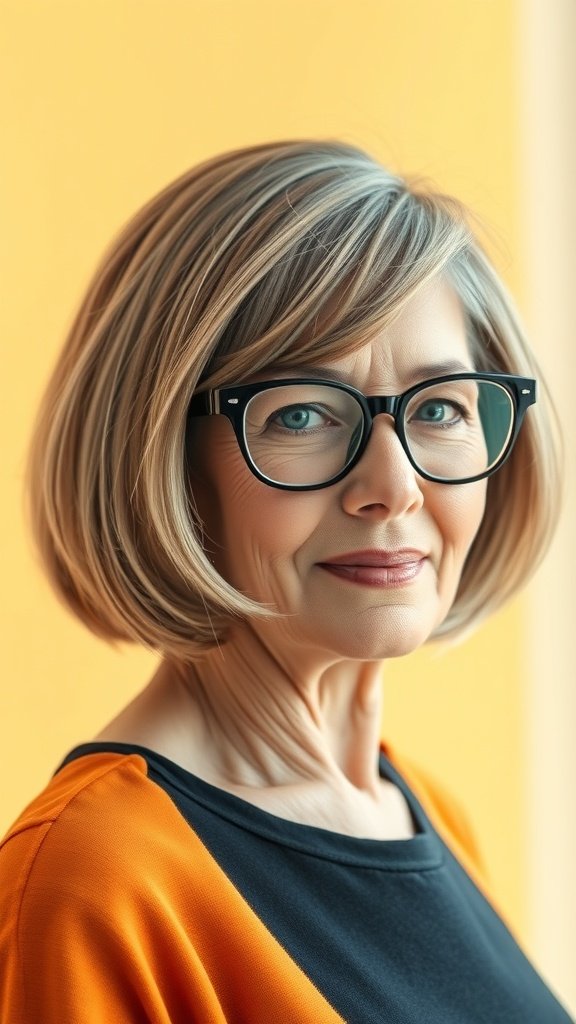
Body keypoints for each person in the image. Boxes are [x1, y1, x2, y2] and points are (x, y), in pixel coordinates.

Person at [0, 140, 572, 1024]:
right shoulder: (93, 879)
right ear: (164, 457)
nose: (393, 488)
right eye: (301, 412)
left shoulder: (421, 811)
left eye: (440, 408)